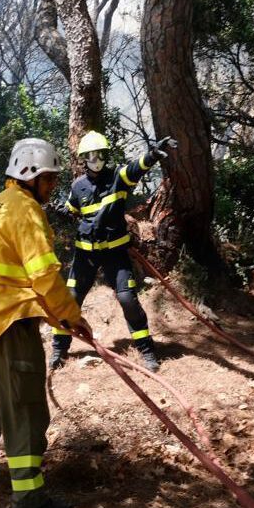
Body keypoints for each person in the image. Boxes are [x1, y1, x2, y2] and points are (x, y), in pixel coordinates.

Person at [0, 138, 92, 508]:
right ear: (29, 176)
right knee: (26, 411)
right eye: (48, 180)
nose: (52, 188)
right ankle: (29, 499)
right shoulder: (26, 210)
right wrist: (71, 316)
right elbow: (43, 274)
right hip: (10, 323)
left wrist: (58, 317)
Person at [50, 131, 177, 373]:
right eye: (90, 155)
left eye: (99, 154)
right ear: (83, 158)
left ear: (105, 155)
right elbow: (72, 210)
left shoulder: (118, 176)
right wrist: (64, 213)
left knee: (128, 299)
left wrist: (151, 156)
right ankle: (59, 348)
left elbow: (136, 168)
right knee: (70, 300)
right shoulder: (78, 186)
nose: (95, 159)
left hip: (115, 254)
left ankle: (146, 350)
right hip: (85, 255)